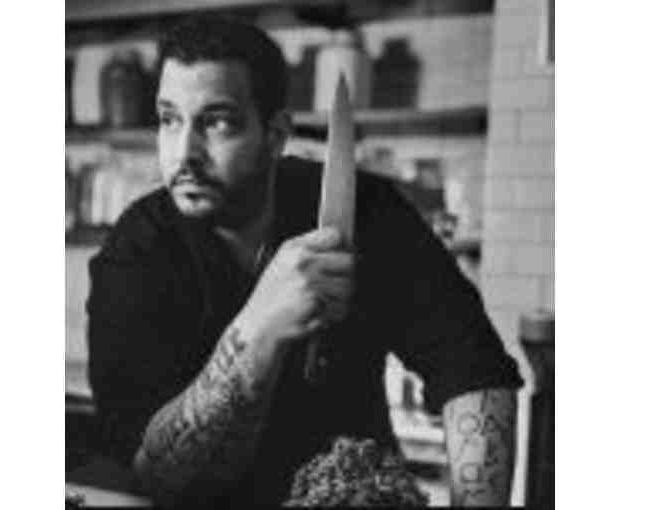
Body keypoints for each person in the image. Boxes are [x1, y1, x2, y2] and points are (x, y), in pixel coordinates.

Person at [87, 15, 523, 508]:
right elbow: (154, 474)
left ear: (275, 134)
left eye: (217, 122)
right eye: (169, 119)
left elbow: (474, 369)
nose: (184, 153)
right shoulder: (136, 250)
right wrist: (261, 326)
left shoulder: (368, 211)